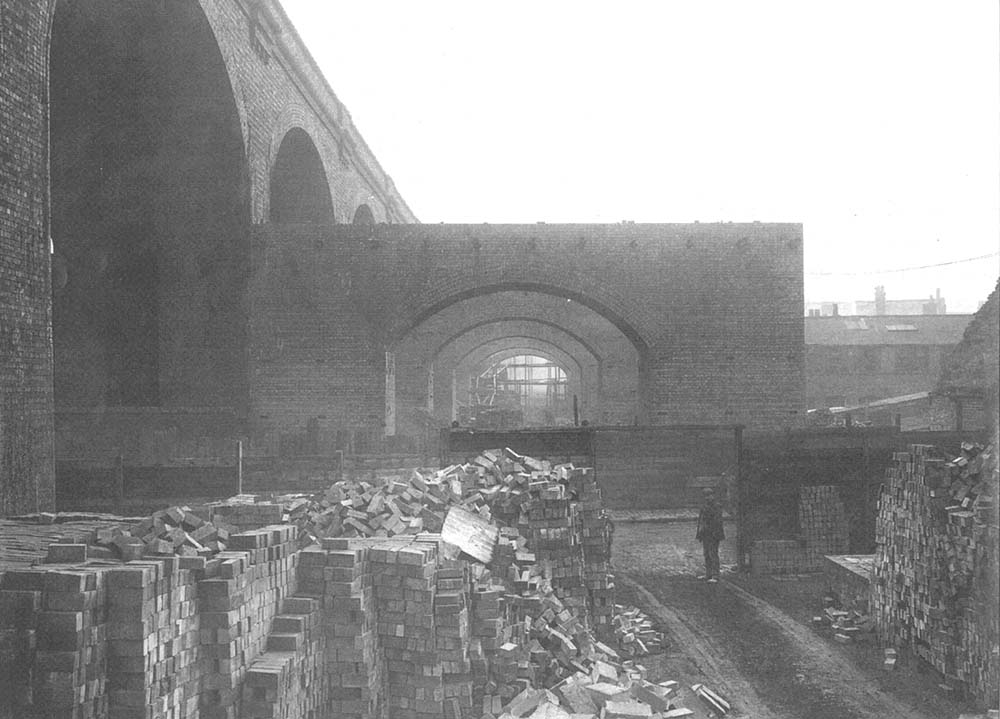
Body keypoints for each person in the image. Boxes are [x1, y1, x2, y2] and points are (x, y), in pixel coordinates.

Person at [695, 488, 724, 582]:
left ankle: (715, 576)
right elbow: (701, 521)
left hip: (713, 534)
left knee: (713, 554)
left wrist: (714, 532)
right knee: (706, 554)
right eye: (705, 496)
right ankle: (708, 574)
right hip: (705, 533)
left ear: (713, 496)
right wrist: (700, 532)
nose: (707, 498)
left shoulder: (717, 506)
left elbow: (717, 521)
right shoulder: (704, 507)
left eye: (709, 495)